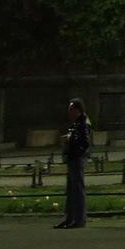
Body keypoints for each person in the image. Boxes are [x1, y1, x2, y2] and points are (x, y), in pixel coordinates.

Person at [55, 98, 91, 229]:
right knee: (71, 190)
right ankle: (70, 218)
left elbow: (85, 142)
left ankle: (79, 219)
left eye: (71, 109)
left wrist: (76, 151)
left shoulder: (82, 123)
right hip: (73, 158)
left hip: (76, 159)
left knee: (77, 189)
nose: (68, 112)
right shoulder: (77, 122)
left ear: (77, 110)